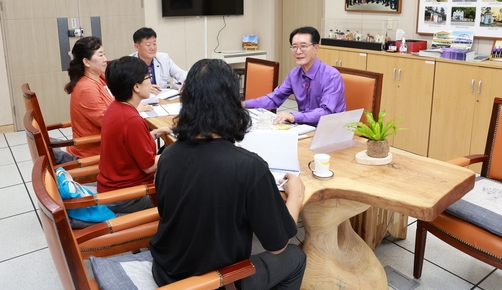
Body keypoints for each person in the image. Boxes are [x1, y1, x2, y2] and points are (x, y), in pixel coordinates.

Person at [149, 59, 306, 289]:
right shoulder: (249, 167)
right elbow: (277, 245)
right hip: (216, 282)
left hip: (165, 271)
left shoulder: (168, 155)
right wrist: (296, 196)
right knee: (295, 257)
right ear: (232, 103)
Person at [96, 56, 170, 213]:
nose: (150, 82)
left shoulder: (115, 107)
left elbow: (129, 145)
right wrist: (180, 151)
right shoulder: (132, 120)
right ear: (136, 87)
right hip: (129, 197)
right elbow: (149, 166)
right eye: (147, 77)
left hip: (112, 187)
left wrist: (157, 132)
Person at [244, 26, 345, 126]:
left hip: (331, 129)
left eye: (303, 46)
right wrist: (243, 104)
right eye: (294, 47)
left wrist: (293, 116)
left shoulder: (331, 76)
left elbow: (326, 112)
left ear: (316, 48)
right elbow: (274, 98)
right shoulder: (294, 74)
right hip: (305, 128)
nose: (298, 51)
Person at [65, 36, 113, 158]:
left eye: (104, 55)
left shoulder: (98, 78)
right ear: (86, 62)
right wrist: (135, 109)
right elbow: (108, 120)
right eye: (101, 55)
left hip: (104, 144)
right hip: (93, 153)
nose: (105, 59)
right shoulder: (87, 88)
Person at [130, 27, 187, 95]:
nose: (153, 48)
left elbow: (181, 74)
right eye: (148, 45)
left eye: (154, 44)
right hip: (140, 102)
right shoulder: (129, 63)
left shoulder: (164, 58)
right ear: (137, 47)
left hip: (162, 99)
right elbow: (123, 86)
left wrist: (186, 82)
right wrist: (143, 89)